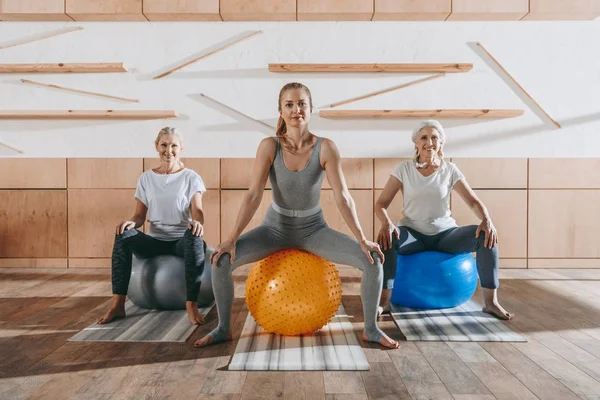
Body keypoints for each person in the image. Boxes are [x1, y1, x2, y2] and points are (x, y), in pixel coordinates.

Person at [194, 82, 400, 349]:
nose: (296, 110)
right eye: (289, 104)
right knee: (220, 261)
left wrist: (362, 239)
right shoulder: (269, 146)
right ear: (280, 110)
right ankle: (223, 329)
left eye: (301, 103)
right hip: (274, 230)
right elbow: (253, 195)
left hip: (314, 230)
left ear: (311, 108)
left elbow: (343, 196)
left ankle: (371, 330)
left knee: (373, 261)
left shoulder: (326, 148)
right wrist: (231, 239)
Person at [375, 120, 513, 320]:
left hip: (446, 235)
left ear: (441, 143)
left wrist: (486, 218)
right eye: (424, 137)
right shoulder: (404, 169)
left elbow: (472, 201)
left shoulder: (450, 169)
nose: (429, 142)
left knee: (486, 236)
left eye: (434, 138)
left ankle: (491, 303)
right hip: (413, 235)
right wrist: (386, 223)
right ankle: (384, 302)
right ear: (415, 143)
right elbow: (381, 204)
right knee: (387, 238)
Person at [97, 127, 209, 326]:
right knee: (123, 234)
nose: (169, 150)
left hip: (181, 242)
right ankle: (118, 304)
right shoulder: (146, 178)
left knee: (194, 236)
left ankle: (191, 304)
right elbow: (140, 216)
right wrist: (132, 223)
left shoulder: (191, 177)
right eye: (164, 145)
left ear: (181, 148)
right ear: (157, 147)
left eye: (174, 145)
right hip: (155, 241)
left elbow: (197, 210)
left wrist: (197, 222)